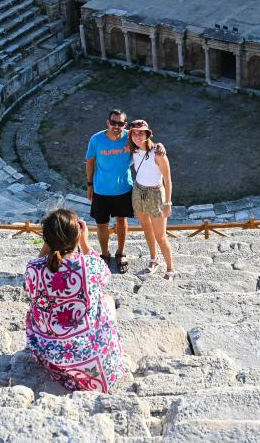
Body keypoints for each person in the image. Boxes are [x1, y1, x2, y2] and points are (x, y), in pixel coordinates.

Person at [24, 209, 124, 393]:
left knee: (33, 307)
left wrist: (48, 245)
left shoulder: (33, 268)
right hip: (93, 358)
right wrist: (84, 242)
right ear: (76, 236)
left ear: (46, 238)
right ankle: (108, 346)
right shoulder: (89, 264)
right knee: (107, 299)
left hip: (51, 355)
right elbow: (106, 276)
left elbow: (29, 285)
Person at [85, 108, 135, 273]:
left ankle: (120, 252)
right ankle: (105, 253)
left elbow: (147, 142)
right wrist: (89, 184)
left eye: (120, 123)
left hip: (123, 188)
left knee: (122, 220)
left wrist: (160, 146)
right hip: (101, 189)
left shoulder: (130, 137)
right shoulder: (96, 139)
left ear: (125, 124)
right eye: (113, 122)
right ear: (108, 122)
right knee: (101, 224)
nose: (116, 126)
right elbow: (90, 162)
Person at [129, 120, 176, 280]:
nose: (137, 136)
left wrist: (168, 203)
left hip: (156, 194)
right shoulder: (133, 149)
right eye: (134, 133)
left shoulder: (158, 153)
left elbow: (168, 180)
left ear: (148, 134)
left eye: (141, 132)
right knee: (146, 228)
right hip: (139, 190)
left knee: (161, 236)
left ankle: (170, 268)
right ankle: (154, 259)